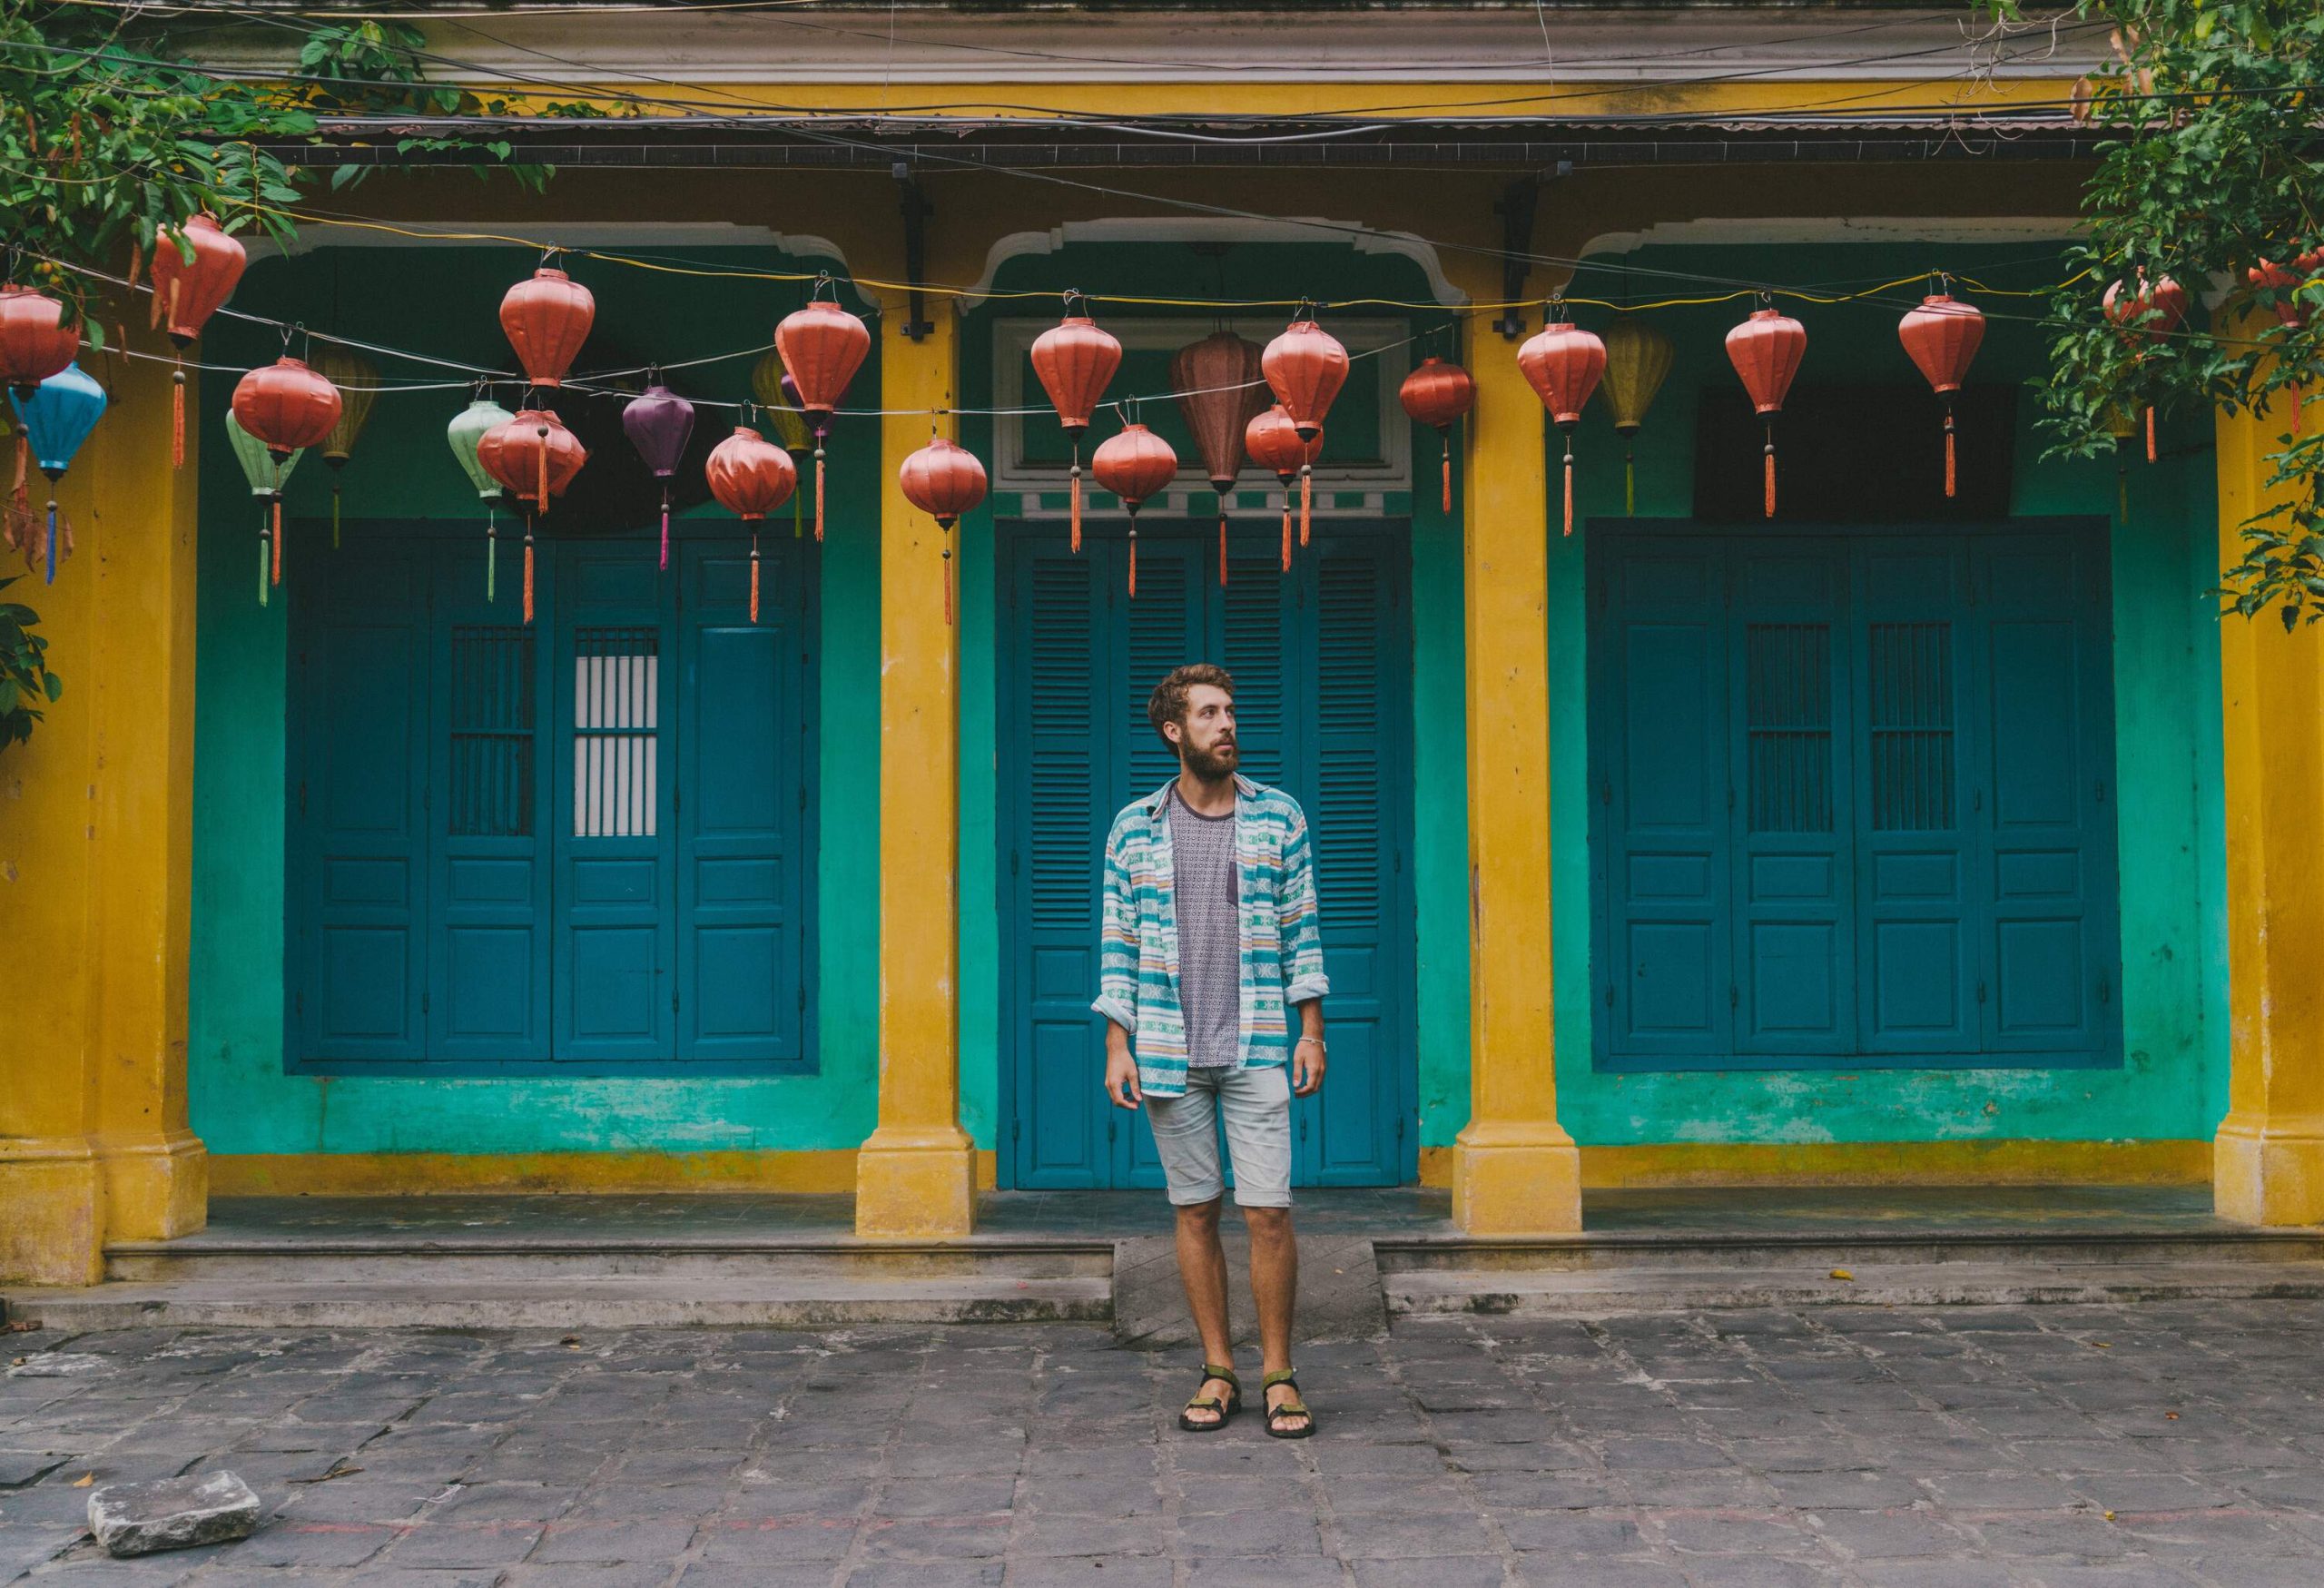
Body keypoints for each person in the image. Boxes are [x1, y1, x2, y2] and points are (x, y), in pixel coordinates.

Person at [1094, 663, 1328, 1439]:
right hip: (1166, 1047)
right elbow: (1118, 944)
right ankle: (1220, 1367)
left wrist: (1312, 1030)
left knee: (1269, 1213)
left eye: (1230, 710)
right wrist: (1116, 1044)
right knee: (1195, 1212)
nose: (1227, 724)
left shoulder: (1278, 817)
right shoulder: (1133, 827)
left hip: (1261, 1041)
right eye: (1208, 714)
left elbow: (1303, 930)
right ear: (1174, 731)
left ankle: (1281, 1373)